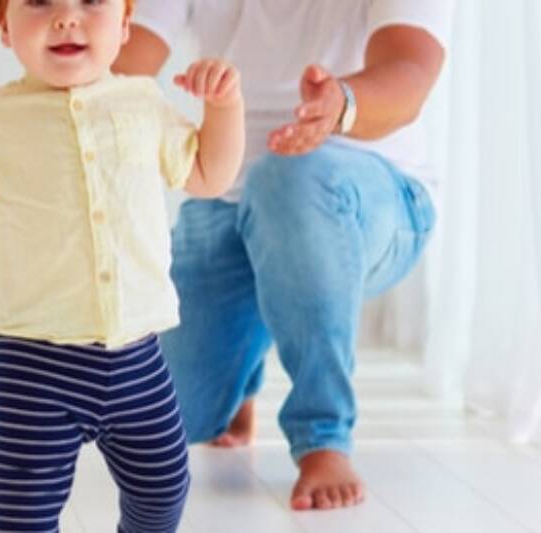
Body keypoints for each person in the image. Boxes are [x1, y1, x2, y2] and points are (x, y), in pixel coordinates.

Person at [0, 0, 246, 530]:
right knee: (25, 516)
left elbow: (208, 175)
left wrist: (224, 108)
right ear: (4, 28)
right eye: (38, 2)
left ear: (126, 25)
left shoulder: (142, 103)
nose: (66, 17)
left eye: (92, 3)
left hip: (137, 356)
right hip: (34, 366)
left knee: (164, 486)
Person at [112, 0, 451, 511]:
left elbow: (411, 71)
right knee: (163, 420)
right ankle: (243, 370)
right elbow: (120, 68)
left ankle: (323, 436)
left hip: (368, 195)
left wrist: (343, 105)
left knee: (285, 178)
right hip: (229, 204)